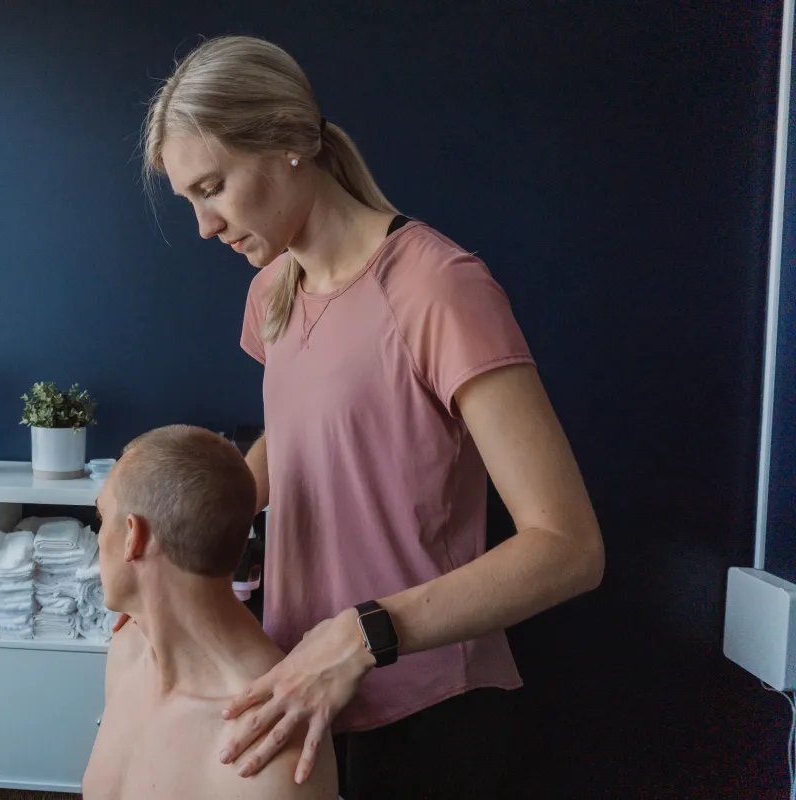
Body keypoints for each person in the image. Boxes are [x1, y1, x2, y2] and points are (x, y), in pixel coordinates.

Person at [132, 35, 606, 799]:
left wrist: (362, 634)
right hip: (301, 694)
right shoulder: (272, 292)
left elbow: (569, 547)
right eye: (190, 199)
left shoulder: (439, 287)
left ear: (289, 138)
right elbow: (303, 449)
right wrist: (167, 562)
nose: (204, 226)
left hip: (427, 711)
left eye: (212, 187)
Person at [82, 424, 339, 800]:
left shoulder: (266, 744)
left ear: (133, 537)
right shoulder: (128, 652)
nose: (98, 537)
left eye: (103, 518)